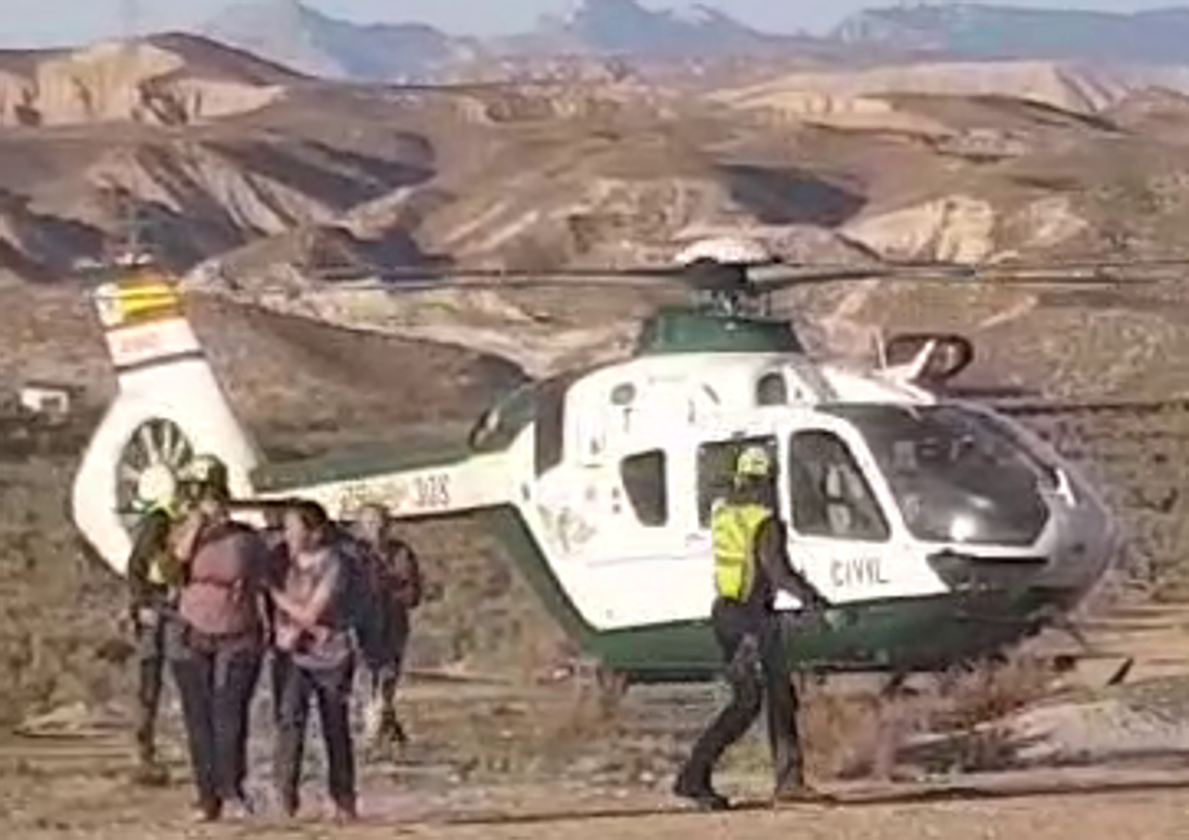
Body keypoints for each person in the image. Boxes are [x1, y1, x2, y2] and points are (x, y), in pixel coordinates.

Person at [673, 445, 834, 811]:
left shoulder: (724, 514)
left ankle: (776, 779)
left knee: (765, 697)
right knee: (759, 700)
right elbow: (777, 572)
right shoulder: (765, 522)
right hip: (753, 618)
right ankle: (699, 777)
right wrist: (813, 601)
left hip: (726, 614)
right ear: (769, 482)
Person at [168, 456, 268, 822]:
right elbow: (172, 567)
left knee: (230, 715)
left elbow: (263, 578)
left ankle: (232, 788)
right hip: (193, 631)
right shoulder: (181, 532)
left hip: (238, 631)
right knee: (199, 719)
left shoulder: (245, 536)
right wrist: (195, 526)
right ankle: (206, 795)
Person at [271, 500, 359, 822]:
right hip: (293, 655)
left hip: (332, 655)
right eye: (286, 527)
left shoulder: (335, 563)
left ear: (315, 531)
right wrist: (284, 630)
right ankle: (285, 798)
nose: (288, 534)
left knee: (334, 725)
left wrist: (275, 595)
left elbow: (313, 611)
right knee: (289, 723)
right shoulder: (280, 558)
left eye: (294, 527)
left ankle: (343, 798)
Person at [125, 479, 188, 785]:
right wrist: (142, 603)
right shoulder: (159, 521)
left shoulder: (175, 518)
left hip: (167, 607)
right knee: (151, 681)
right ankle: (144, 747)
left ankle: (150, 745)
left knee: (162, 680)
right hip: (158, 608)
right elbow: (137, 566)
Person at [353, 503, 422, 750]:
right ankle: (380, 731)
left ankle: (381, 729)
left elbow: (413, 594)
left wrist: (388, 590)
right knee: (365, 679)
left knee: (387, 679)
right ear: (360, 527)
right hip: (362, 625)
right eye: (370, 524)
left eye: (381, 524)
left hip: (392, 624)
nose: (377, 530)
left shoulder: (401, 553)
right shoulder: (354, 554)